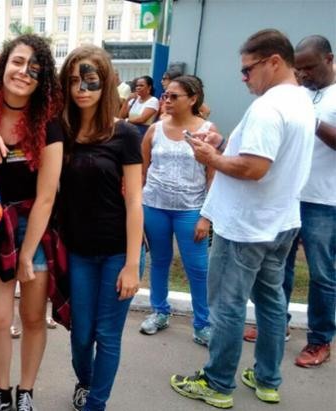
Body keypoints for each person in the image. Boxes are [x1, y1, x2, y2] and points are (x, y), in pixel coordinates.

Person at [170, 29, 315, 408]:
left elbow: (254, 167)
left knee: (228, 306)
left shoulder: (269, 108)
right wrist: (222, 148)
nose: (243, 77)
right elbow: (264, 157)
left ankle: (218, 384)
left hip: (246, 226)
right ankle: (268, 379)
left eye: (248, 70)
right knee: (270, 302)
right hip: (280, 220)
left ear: (274, 62)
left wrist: (212, 159)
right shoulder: (302, 101)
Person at [0, 34, 63, 411]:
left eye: (35, 69)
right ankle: (1, 389)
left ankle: (25, 391)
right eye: (18, 62)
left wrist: (27, 254)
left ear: (42, 81)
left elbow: (47, 195)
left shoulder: (49, 123)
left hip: (33, 227)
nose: (24, 73)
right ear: (4, 63)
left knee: (31, 317)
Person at [58, 45, 144, 411]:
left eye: (90, 80)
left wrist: (132, 264)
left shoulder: (124, 135)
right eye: (75, 81)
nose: (82, 88)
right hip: (77, 252)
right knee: (80, 336)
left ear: (105, 82)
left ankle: (96, 403)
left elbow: (135, 201)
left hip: (115, 253)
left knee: (107, 335)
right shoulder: (60, 132)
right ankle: (87, 382)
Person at [139, 75, 217, 346]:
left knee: (198, 268)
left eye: (174, 96)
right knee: (159, 262)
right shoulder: (155, 130)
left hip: (191, 210)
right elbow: (142, 171)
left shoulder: (206, 130)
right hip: (154, 207)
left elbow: (212, 176)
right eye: (165, 96)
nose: (167, 100)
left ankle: (203, 323)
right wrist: (139, 210)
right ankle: (159, 312)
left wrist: (207, 216)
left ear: (193, 99)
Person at [285, 35, 335, 368]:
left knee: (322, 273)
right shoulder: (299, 93)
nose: (303, 75)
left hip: (325, 200)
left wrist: (313, 121)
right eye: (298, 69)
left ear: (329, 59)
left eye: (309, 67)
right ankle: (276, 324)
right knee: (277, 267)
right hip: (289, 195)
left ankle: (319, 340)